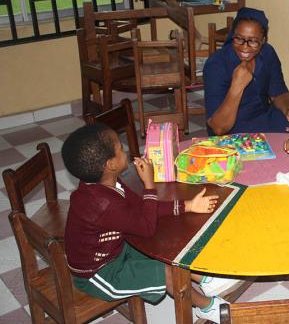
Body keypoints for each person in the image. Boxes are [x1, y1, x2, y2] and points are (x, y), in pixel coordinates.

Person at [61, 123, 240, 323]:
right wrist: (149, 184)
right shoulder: (103, 204)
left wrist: (187, 205)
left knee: (163, 249)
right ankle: (205, 307)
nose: (126, 150)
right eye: (120, 148)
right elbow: (146, 226)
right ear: (110, 164)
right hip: (98, 274)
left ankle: (204, 278)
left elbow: (143, 207)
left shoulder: (107, 183)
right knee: (165, 272)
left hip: (114, 250)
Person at [203, 7, 289, 136]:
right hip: (231, 128)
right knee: (261, 149)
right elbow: (218, 128)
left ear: (263, 41)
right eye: (239, 39)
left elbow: (279, 92)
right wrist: (237, 86)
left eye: (253, 41)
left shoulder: (267, 53)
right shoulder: (216, 64)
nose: (244, 47)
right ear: (233, 35)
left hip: (264, 117)